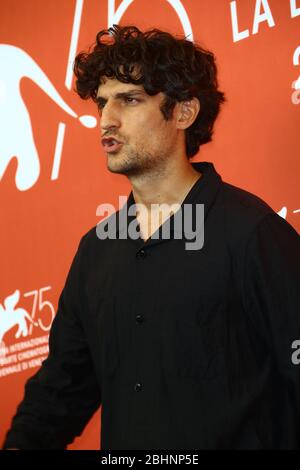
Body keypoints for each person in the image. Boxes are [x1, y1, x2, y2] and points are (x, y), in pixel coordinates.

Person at [3, 25, 300, 450]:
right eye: (103, 102)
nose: (106, 119)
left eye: (129, 99)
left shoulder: (251, 232)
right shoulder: (95, 252)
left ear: (183, 113)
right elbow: (61, 389)